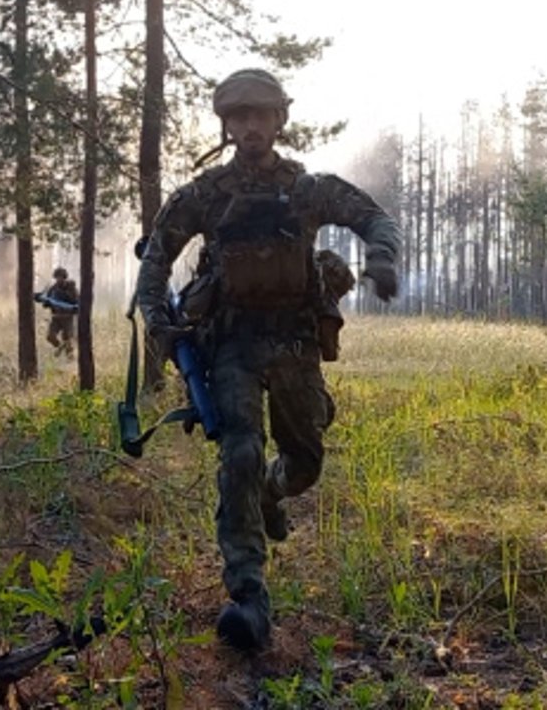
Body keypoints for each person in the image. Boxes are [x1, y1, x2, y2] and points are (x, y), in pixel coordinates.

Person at [134, 68, 401, 653]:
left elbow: (375, 217)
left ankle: (272, 494)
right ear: (227, 125)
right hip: (231, 346)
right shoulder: (206, 195)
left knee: (304, 463)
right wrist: (156, 318)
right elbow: (155, 258)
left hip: (295, 346)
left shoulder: (306, 190)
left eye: (262, 115)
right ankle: (248, 596)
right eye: (240, 116)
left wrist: (382, 260)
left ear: (280, 120)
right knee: (240, 453)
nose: (251, 126)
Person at [42, 267, 80, 356]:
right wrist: (47, 302)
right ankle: (60, 348)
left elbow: (76, 301)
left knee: (67, 340)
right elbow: (47, 302)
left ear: (64, 277)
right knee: (50, 337)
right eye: (57, 277)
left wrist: (63, 295)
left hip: (67, 318)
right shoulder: (53, 289)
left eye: (61, 277)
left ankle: (69, 362)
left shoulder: (71, 288)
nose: (59, 279)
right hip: (56, 318)